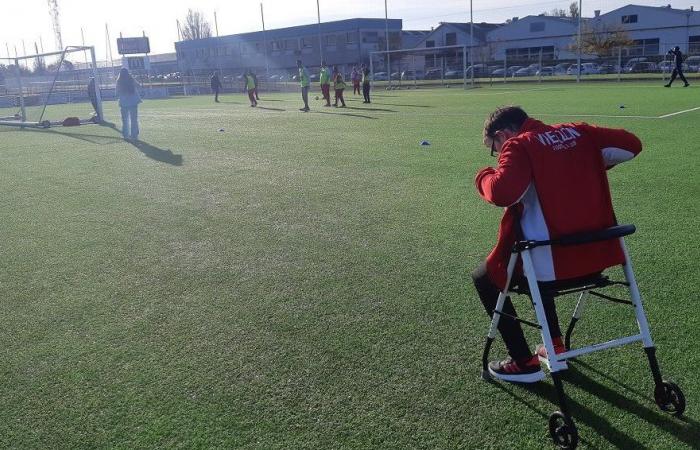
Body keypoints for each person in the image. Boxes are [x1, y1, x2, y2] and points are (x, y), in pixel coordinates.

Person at [473, 106, 642, 383]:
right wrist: (579, 158)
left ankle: (523, 362)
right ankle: (555, 345)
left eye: (494, 149)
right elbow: (632, 146)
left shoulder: (519, 146)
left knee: (489, 275)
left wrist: (483, 175)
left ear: (503, 135)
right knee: (534, 254)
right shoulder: (580, 133)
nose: (497, 156)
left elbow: (502, 192)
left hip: (552, 265)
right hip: (599, 257)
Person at [115, 67, 142, 140]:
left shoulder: (119, 81)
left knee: (125, 120)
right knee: (134, 119)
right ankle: (134, 135)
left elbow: (116, 92)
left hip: (124, 103)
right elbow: (139, 85)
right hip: (133, 102)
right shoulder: (131, 79)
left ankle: (125, 135)